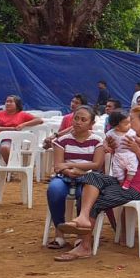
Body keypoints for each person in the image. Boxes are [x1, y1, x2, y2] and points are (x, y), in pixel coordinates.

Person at [53, 105, 140, 261]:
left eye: (132, 119)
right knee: (92, 177)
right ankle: (83, 217)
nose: (128, 122)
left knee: (96, 200)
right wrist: (110, 148)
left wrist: (137, 150)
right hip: (121, 181)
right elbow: (119, 158)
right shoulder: (127, 137)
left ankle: (84, 246)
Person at [44, 106, 105, 250]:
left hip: (87, 179)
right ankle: (59, 233)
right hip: (64, 177)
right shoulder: (62, 140)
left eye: (83, 120)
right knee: (54, 191)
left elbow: (97, 165)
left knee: (83, 196)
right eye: (76, 118)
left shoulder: (97, 141)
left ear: (91, 124)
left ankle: (80, 236)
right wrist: (68, 171)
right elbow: (58, 166)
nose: (78, 122)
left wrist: (72, 166)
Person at [0, 95, 43, 162]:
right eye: (7, 101)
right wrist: (11, 129)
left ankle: (9, 166)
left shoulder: (22, 115)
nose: (8, 103)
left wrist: (23, 124)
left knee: (4, 148)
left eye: (11, 102)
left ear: (17, 104)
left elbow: (39, 120)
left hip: (10, 140)